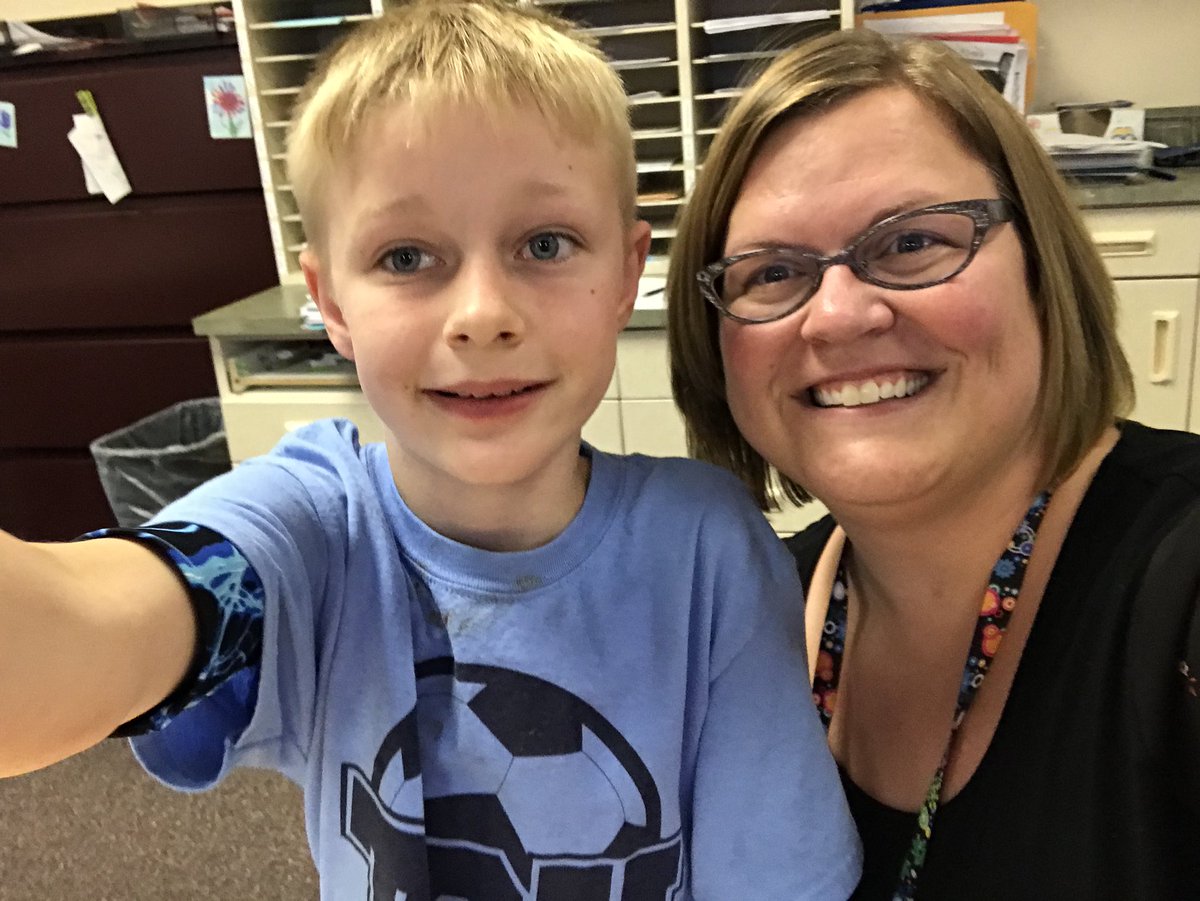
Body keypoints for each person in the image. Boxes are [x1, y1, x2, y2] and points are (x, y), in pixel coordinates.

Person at [0, 3, 863, 898]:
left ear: (625, 271)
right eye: (407, 257)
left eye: (545, 243)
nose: (483, 315)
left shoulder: (708, 552)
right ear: (331, 303)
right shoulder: (315, 530)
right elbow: (79, 629)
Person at [668, 26, 1200, 901]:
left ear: (1041, 267)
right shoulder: (737, 616)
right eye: (772, 272)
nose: (838, 316)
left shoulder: (1178, 583)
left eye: (911, 241)